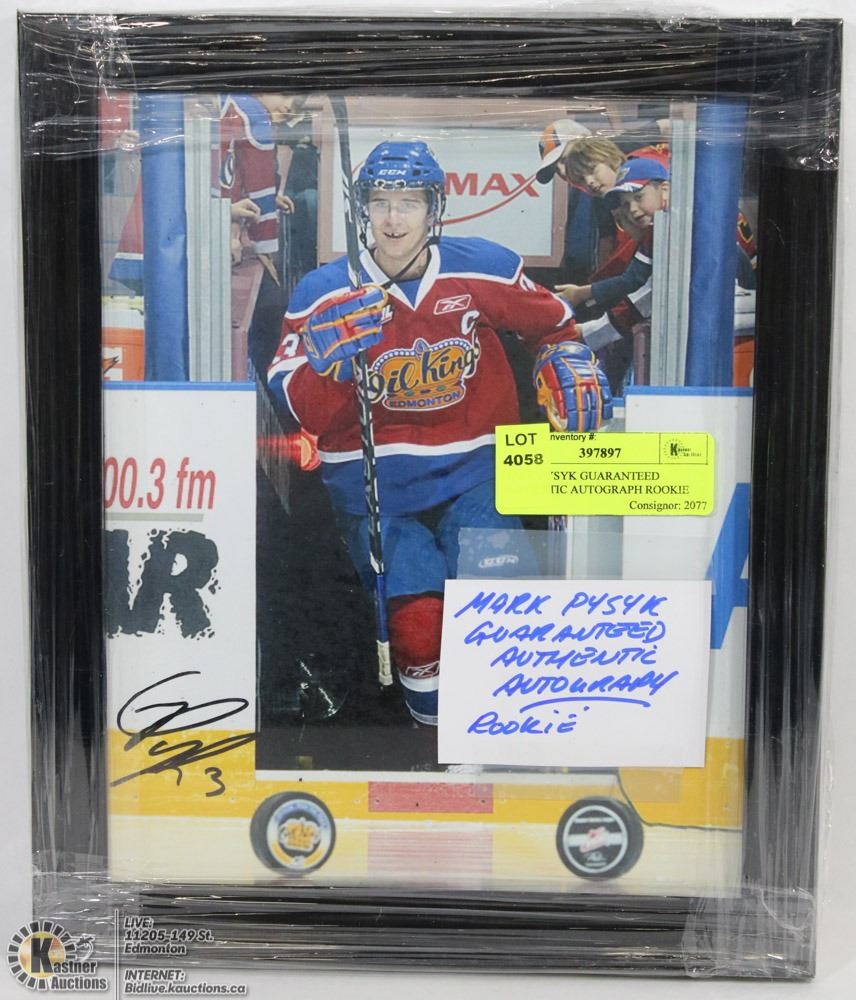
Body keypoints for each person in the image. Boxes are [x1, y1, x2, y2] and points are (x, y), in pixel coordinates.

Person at [268, 140, 612, 726]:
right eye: (380, 202)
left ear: (435, 208)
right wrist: (324, 367)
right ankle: (433, 741)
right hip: (375, 489)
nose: (393, 218)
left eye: (409, 202)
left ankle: (502, 730)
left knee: (500, 601)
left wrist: (563, 357)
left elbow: (554, 324)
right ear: (362, 209)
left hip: (476, 472)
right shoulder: (324, 291)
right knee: (418, 630)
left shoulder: (482, 266)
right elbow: (299, 409)